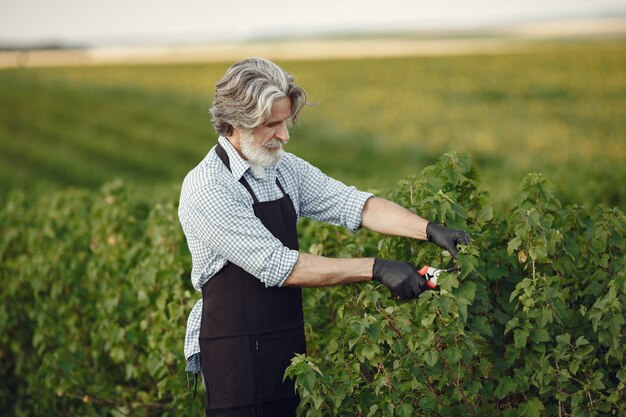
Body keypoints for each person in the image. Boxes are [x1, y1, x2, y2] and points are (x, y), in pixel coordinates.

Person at [178, 57, 469, 417]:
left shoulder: (282, 168)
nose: (284, 135)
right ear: (236, 123)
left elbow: (353, 204)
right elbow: (279, 266)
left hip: (285, 341)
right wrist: (376, 268)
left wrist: (428, 229)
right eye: (273, 124)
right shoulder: (208, 186)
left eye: (285, 122)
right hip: (233, 351)